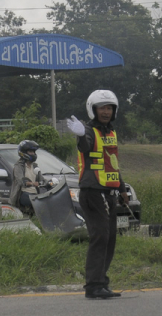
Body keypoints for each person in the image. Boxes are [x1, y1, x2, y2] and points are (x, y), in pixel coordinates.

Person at [67, 90, 128, 299]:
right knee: (100, 236)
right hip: (92, 191)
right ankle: (93, 286)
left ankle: (102, 283)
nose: (106, 112)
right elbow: (84, 147)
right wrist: (80, 134)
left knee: (110, 238)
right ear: (93, 110)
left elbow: (113, 164)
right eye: (102, 108)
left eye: (109, 108)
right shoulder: (89, 131)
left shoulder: (110, 133)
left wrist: (121, 188)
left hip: (108, 191)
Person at [10, 140, 45, 211]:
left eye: (34, 152)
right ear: (24, 153)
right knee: (38, 203)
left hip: (35, 193)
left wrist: (50, 182)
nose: (33, 154)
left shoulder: (35, 166)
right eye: (30, 151)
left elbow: (42, 179)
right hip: (23, 193)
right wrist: (31, 183)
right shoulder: (18, 166)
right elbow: (21, 181)